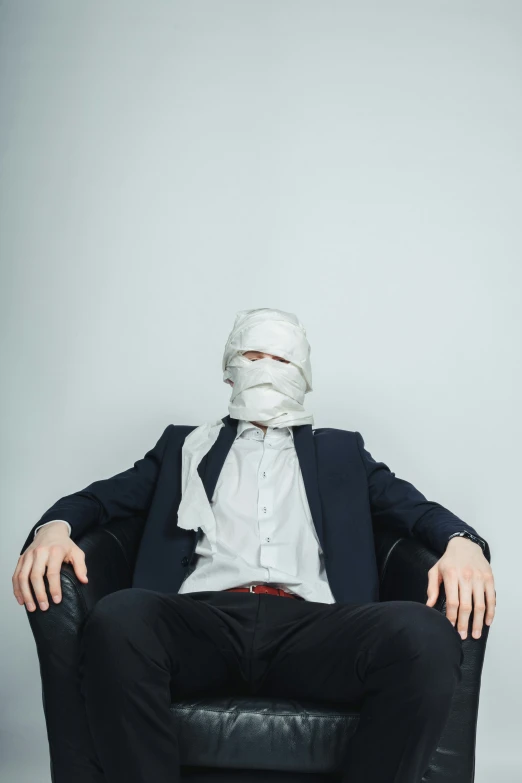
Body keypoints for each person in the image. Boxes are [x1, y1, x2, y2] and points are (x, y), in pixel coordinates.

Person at [14, 307, 496, 783]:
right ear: (229, 372)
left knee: (423, 635)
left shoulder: (342, 453)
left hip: (315, 628)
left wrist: (463, 544)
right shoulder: (184, 447)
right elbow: (98, 500)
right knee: (118, 618)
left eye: (282, 360)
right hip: (202, 621)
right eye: (253, 355)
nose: (267, 369)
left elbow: (418, 511)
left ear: (304, 375)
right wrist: (53, 527)